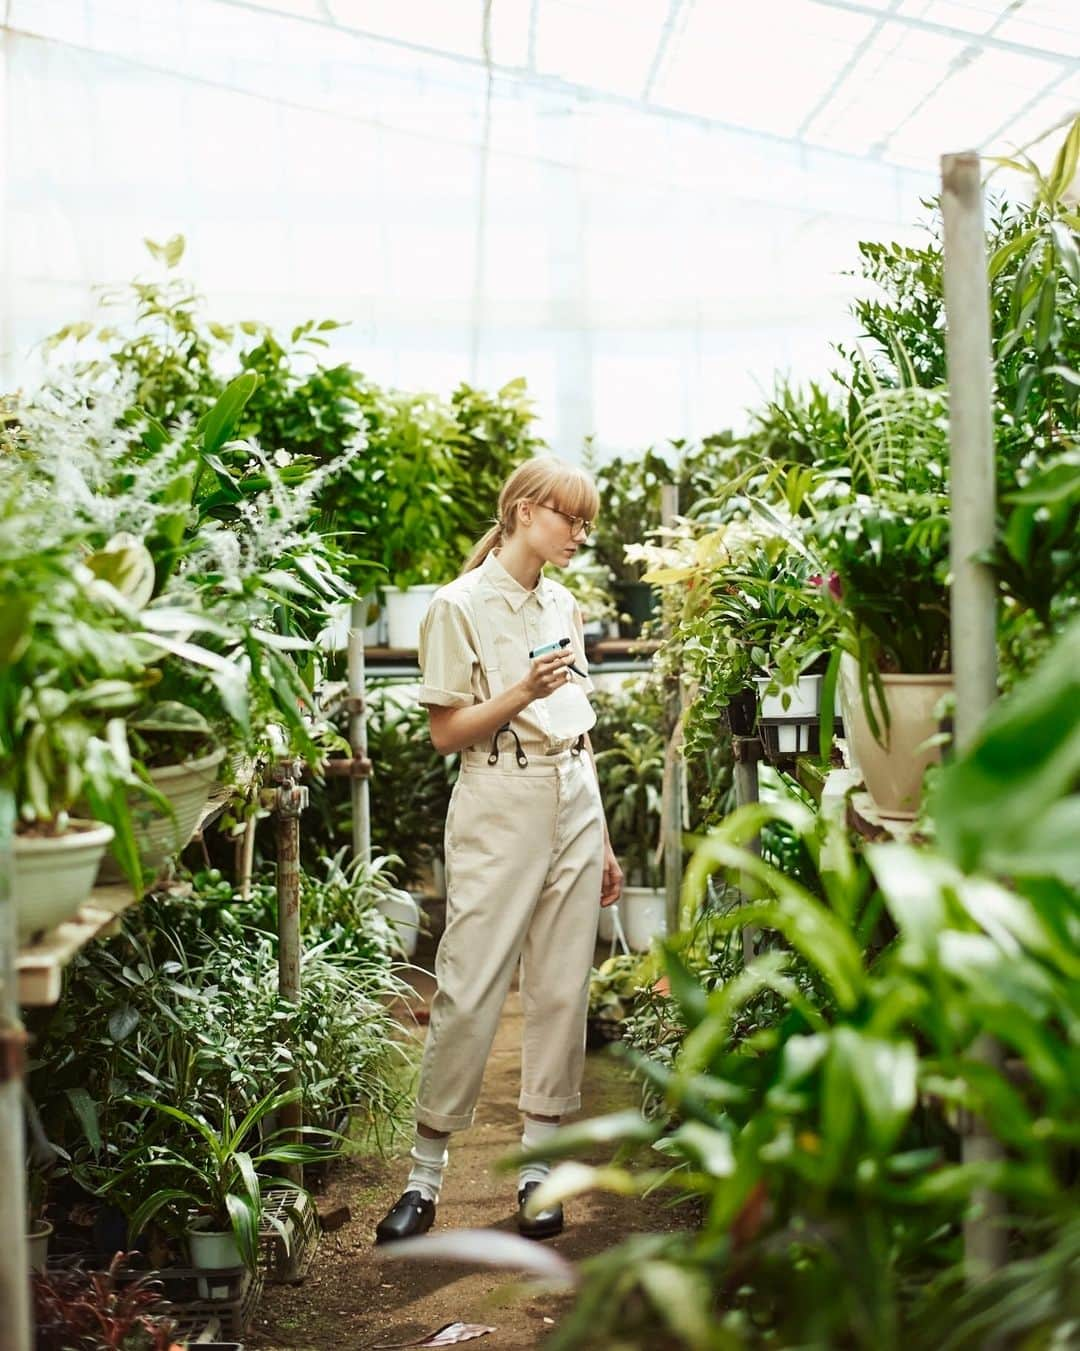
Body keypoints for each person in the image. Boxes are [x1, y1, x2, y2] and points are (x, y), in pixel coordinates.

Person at [374, 455, 623, 1244]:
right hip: (497, 797)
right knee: (470, 985)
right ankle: (423, 1177)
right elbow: (445, 733)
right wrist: (522, 691)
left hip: (574, 800)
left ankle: (539, 1174)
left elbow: (579, 732)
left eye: (585, 522)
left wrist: (605, 838)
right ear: (522, 511)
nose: (580, 534)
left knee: (560, 989)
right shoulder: (457, 606)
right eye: (568, 519)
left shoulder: (565, 603)